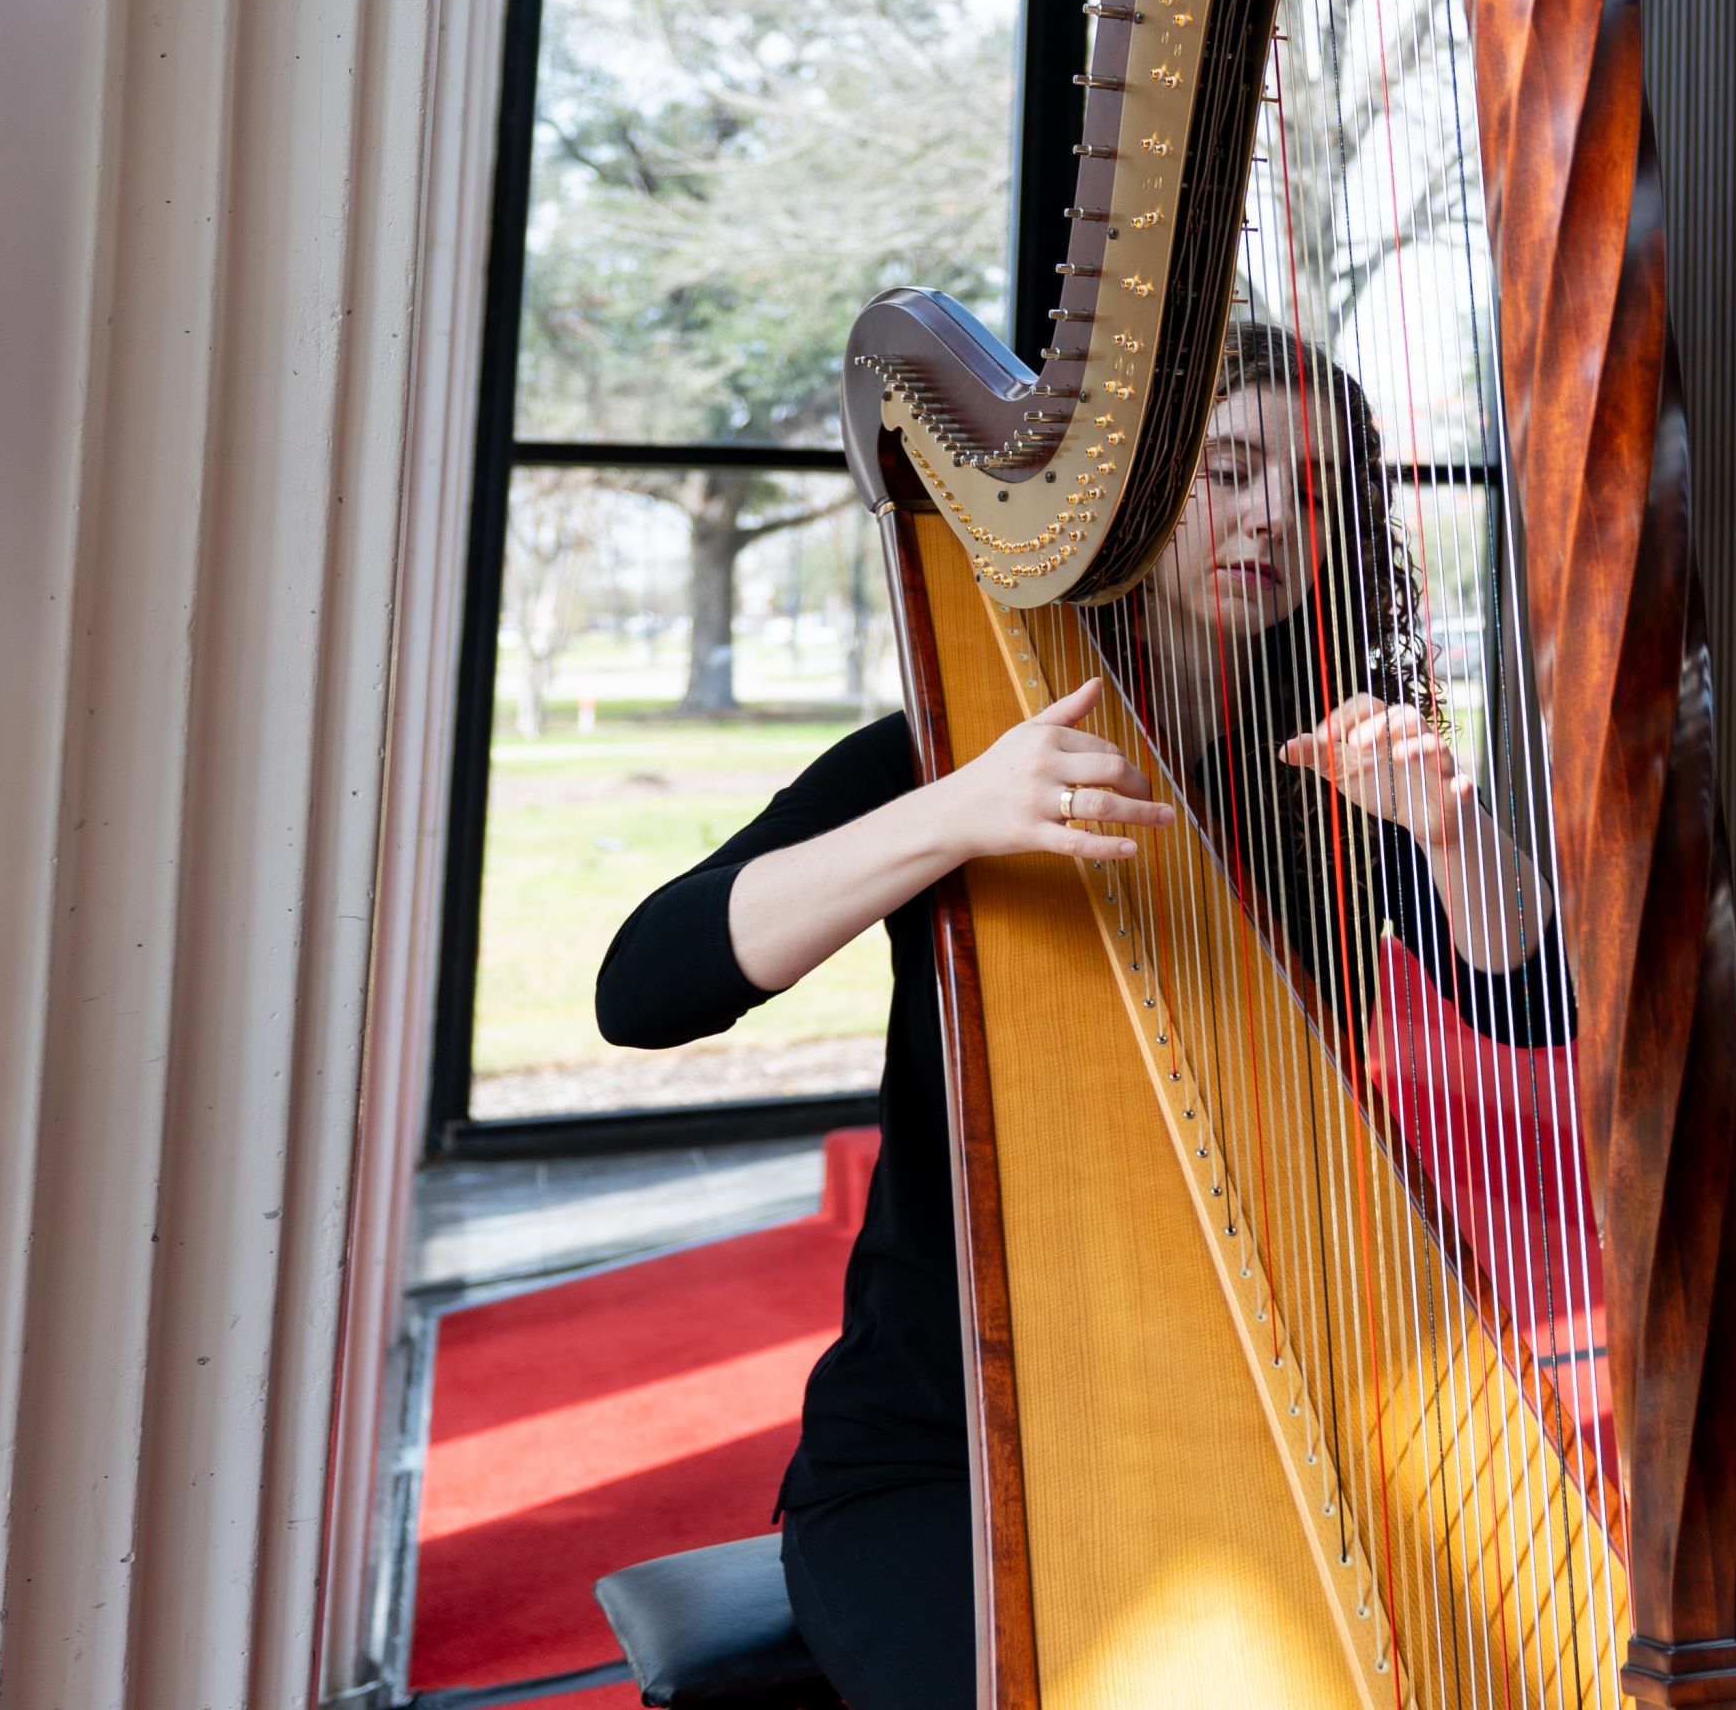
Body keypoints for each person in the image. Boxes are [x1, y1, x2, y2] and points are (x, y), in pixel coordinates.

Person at [596, 323, 1562, 1710]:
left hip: (1274, 1388)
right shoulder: (950, 754)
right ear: (1134, 497)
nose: (1269, 521)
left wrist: (1453, 831)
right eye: (1227, 472)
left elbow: (1533, 1004)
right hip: (949, 1450)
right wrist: (952, 813)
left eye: (1316, 491)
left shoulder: (1331, 766)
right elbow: (641, 992)